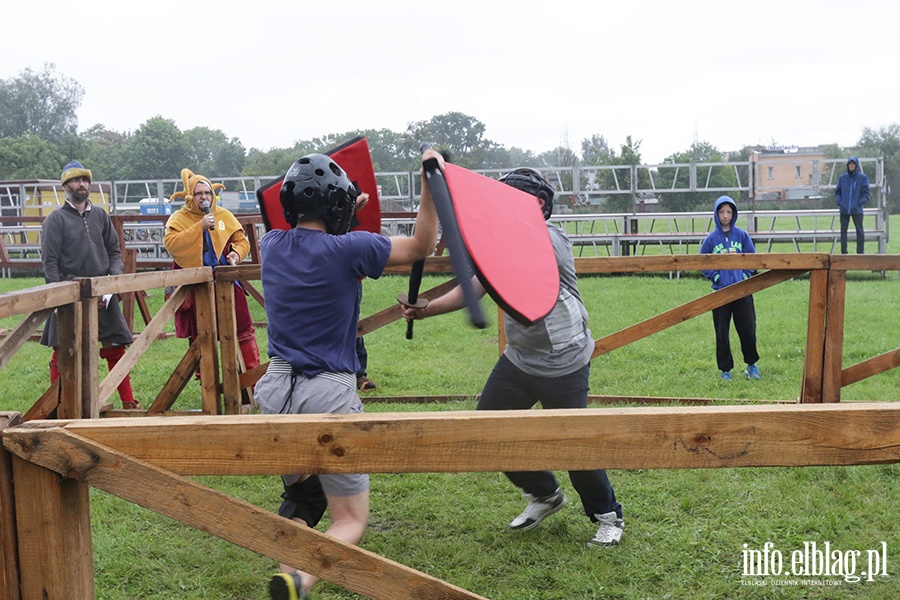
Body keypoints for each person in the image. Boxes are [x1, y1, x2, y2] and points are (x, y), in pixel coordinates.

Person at [401, 167, 625, 549]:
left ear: (536, 203)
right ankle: (545, 495)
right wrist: (426, 309)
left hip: (565, 360)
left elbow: (517, 250)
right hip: (521, 357)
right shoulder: (503, 245)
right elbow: (475, 286)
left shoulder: (551, 239)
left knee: (575, 446)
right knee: (490, 430)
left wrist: (473, 225)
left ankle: (609, 516)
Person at [257, 149, 440, 599]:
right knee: (349, 518)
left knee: (304, 499)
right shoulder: (353, 249)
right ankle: (300, 582)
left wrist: (343, 211)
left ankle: (288, 578)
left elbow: (319, 243)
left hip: (275, 392)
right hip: (328, 392)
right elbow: (422, 244)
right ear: (338, 207)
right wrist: (428, 183)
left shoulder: (271, 246)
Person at [40, 161, 142, 410]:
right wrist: (56, 297)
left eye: (85, 180)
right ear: (65, 186)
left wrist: (111, 284)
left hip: (101, 292)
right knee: (63, 351)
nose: (82, 184)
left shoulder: (100, 216)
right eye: (76, 180)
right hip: (68, 294)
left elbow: (115, 252)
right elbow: (49, 262)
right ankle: (59, 405)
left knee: (116, 346)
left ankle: (128, 404)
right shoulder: (55, 219)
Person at [163, 169, 261, 393]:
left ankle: (252, 381)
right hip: (197, 287)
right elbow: (172, 243)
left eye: (207, 193)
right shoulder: (179, 219)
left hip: (227, 283)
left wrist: (236, 253)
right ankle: (208, 385)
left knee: (243, 330)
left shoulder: (224, 216)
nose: (204, 198)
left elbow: (241, 240)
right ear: (190, 196)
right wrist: (199, 227)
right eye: (198, 193)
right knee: (201, 335)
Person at [699, 195, 761, 381]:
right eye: (721, 212)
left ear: (733, 214)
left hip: (743, 291)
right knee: (721, 333)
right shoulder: (711, 239)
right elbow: (702, 263)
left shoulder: (741, 235)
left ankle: (751, 365)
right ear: (716, 214)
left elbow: (753, 259)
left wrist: (744, 275)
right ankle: (726, 370)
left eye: (728, 212)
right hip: (720, 293)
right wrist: (716, 276)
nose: (725, 215)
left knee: (748, 329)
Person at [835, 156, 871, 255]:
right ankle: (844, 252)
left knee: (859, 231)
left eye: (853, 164)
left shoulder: (862, 178)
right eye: (850, 164)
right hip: (844, 209)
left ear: (856, 165)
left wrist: (859, 202)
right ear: (848, 165)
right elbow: (837, 192)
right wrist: (840, 202)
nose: (851, 165)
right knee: (843, 231)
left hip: (857, 210)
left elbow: (867, 194)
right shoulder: (843, 178)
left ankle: (860, 252)